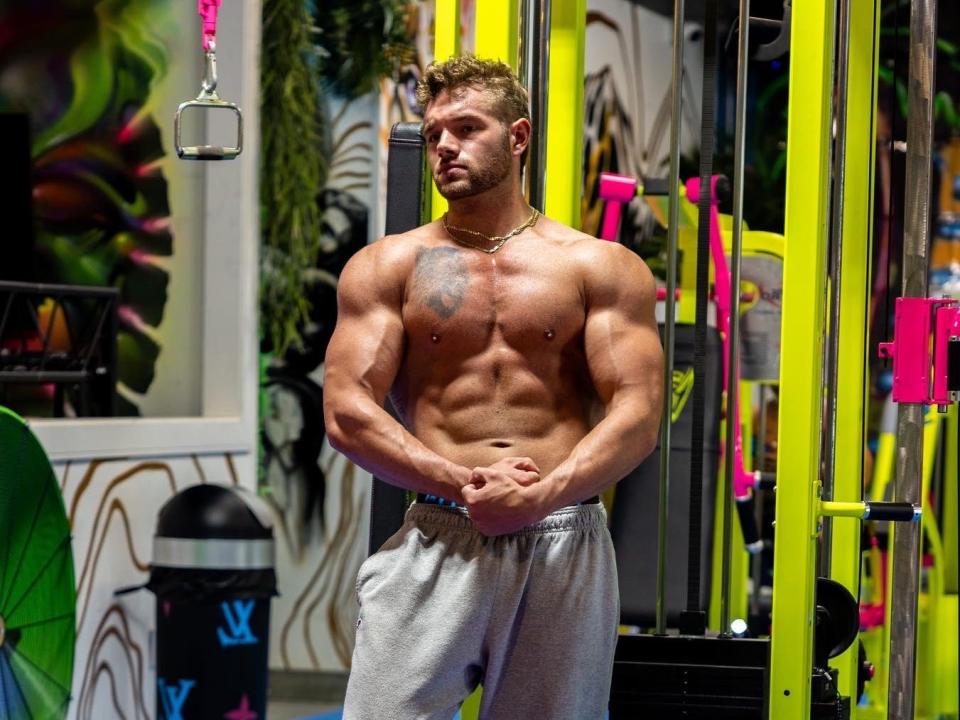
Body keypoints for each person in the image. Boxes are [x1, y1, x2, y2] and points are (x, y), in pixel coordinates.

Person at [323, 55, 663, 720]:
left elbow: (639, 413)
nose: (445, 145)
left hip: (563, 537)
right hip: (436, 532)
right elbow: (346, 412)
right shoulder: (387, 267)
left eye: (466, 128)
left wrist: (537, 496)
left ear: (517, 136)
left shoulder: (599, 268)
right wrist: (464, 486)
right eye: (435, 132)